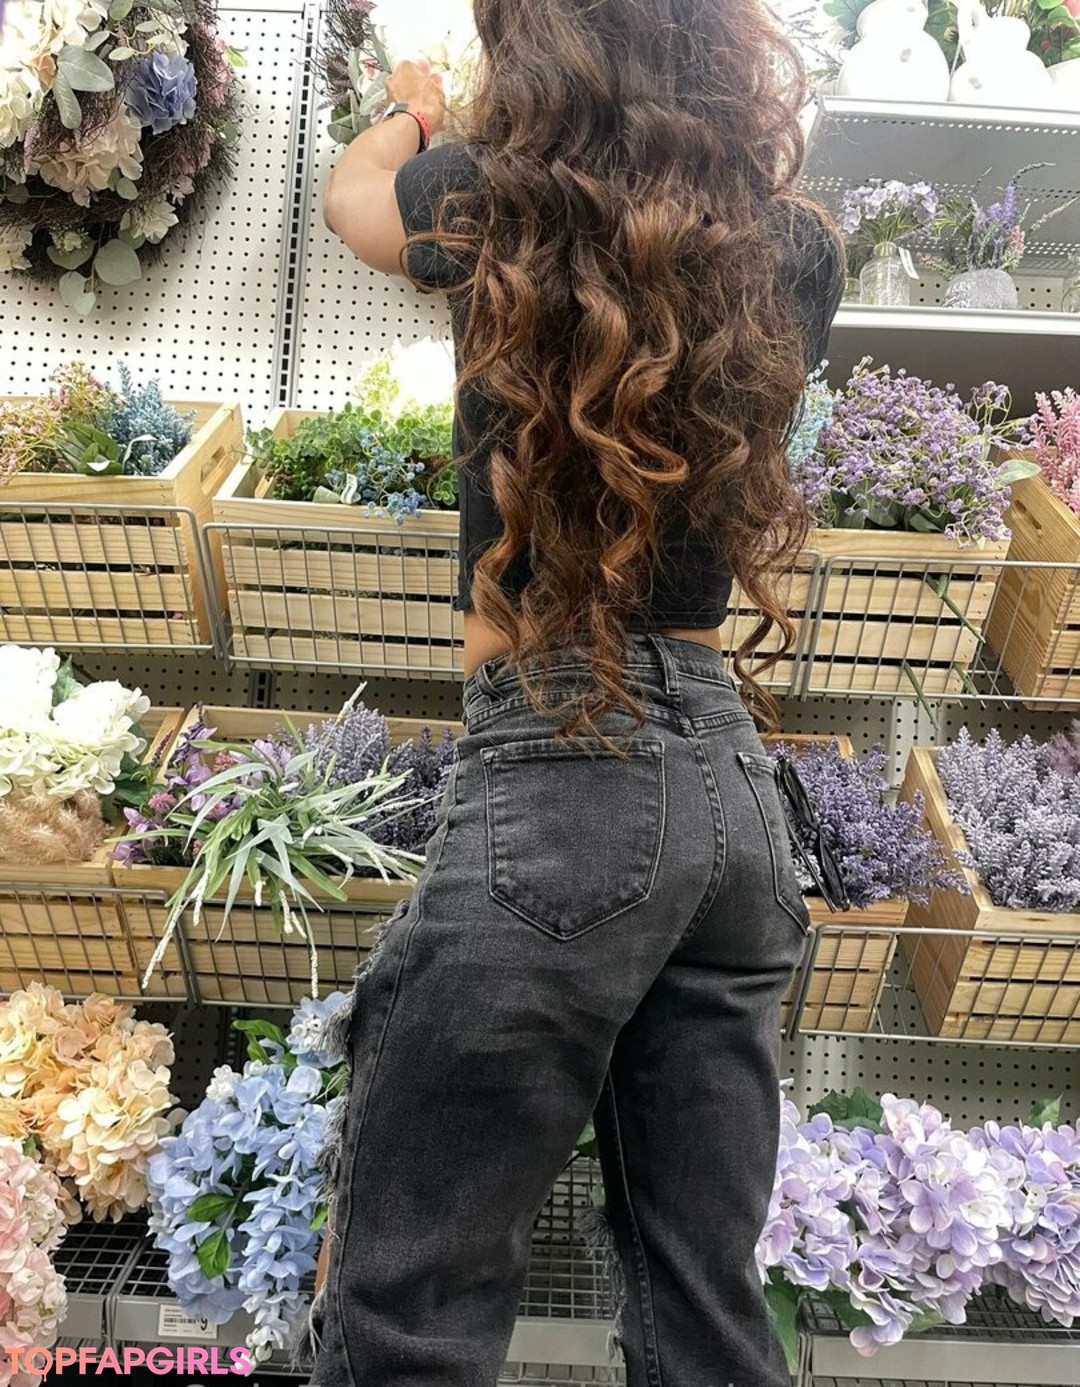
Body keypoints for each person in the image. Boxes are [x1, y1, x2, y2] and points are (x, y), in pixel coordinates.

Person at [311, 2, 843, 1384]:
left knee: (411, 1313)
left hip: (559, 763)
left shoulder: (489, 200)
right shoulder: (796, 246)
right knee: (704, 1314)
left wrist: (414, 108)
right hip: (732, 802)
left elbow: (353, 198)